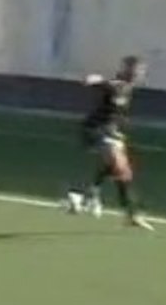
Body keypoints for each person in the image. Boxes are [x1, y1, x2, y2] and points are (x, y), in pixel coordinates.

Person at [65, 56, 153, 230]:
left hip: (112, 132)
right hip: (96, 130)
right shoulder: (117, 85)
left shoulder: (128, 88)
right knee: (118, 166)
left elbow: (116, 112)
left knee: (124, 174)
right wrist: (92, 79)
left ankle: (129, 214)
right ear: (127, 70)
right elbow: (103, 83)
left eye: (140, 71)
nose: (139, 74)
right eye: (136, 70)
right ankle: (84, 194)